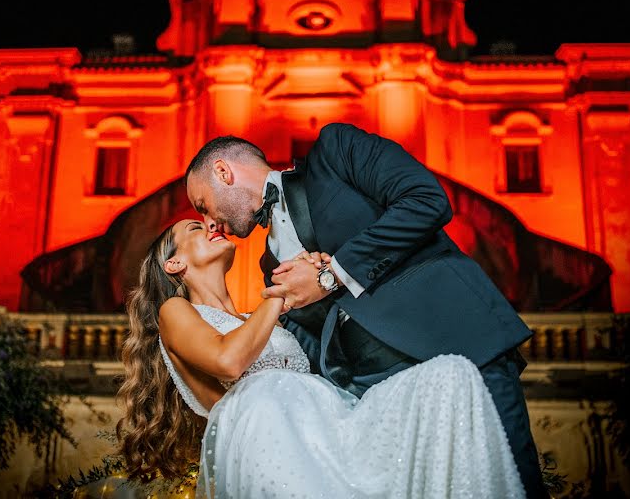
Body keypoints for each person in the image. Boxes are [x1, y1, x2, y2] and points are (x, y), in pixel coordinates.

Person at [184, 123, 547, 498]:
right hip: (379, 397)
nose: (210, 223)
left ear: (223, 172)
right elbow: (305, 348)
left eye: (202, 205)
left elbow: (425, 199)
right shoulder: (270, 266)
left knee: (513, 485)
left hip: (459, 345)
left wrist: (332, 275)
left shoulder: (336, 150)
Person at [116, 219, 524, 498]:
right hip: (265, 434)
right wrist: (281, 295)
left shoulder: (253, 319)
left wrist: (318, 280)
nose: (211, 225)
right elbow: (228, 361)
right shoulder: (176, 311)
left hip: (326, 426)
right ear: (175, 263)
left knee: (448, 377)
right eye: (195, 228)